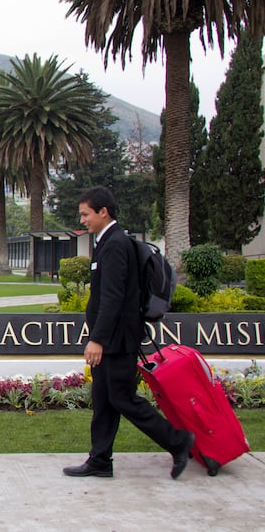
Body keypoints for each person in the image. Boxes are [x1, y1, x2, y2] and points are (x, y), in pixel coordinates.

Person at [63, 186, 194, 480]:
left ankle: (178, 441)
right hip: (113, 339)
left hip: (117, 341)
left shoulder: (115, 245)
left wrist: (97, 339)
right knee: (104, 398)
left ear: (103, 212)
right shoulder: (107, 241)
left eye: (86, 214)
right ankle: (100, 459)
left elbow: (113, 297)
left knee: (122, 398)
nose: (82, 220)